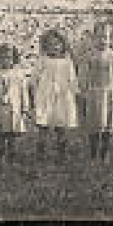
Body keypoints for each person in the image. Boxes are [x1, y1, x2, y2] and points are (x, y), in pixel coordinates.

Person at [83, 22, 113, 163]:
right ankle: (93, 153)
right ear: (94, 38)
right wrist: (84, 90)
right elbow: (84, 74)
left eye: (106, 37)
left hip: (110, 94)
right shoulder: (90, 55)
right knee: (94, 123)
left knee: (108, 122)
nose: (102, 41)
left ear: (110, 39)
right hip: (94, 93)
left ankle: (105, 152)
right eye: (99, 37)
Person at [32, 28, 78, 161]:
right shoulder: (43, 60)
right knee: (43, 125)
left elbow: (72, 79)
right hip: (45, 95)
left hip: (62, 96)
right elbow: (34, 78)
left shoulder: (67, 61)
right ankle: (41, 152)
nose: (54, 47)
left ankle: (61, 153)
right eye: (50, 45)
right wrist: (34, 91)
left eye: (57, 44)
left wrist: (75, 93)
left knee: (61, 125)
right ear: (45, 46)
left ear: (63, 45)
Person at [0, 43, 31, 164]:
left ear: (14, 59)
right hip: (0, 105)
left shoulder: (19, 74)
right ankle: (0, 156)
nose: (6, 61)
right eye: (3, 58)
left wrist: (25, 107)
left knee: (12, 133)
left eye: (9, 58)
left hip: (14, 106)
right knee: (0, 132)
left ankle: (12, 156)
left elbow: (23, 91)